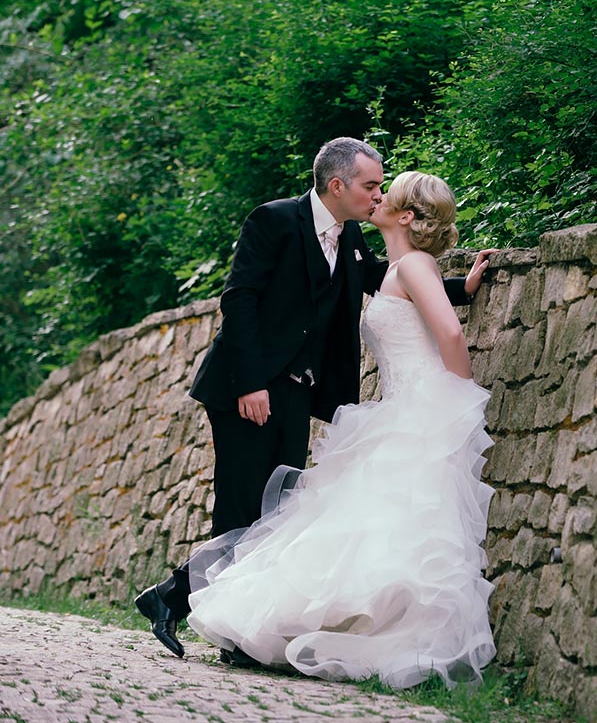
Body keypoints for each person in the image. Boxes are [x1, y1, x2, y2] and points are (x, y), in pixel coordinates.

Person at [133, 139, 494, 666]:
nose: (377, 195)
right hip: (246, 389)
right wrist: (250, 382)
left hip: (297, 393)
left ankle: (174, 600)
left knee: (273, 512)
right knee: (241, 507)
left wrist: (462, 287)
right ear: (337, 184)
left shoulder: (349, 239)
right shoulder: (275, 220)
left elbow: (390, 281)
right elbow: (239, 299)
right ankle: (223, 631)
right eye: (371, 185)